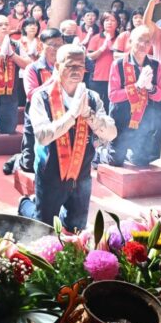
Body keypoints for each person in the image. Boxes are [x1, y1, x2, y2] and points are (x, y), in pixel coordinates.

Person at [18, 44, 116, 230]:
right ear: (57, 66)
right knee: (43, 227)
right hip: (50, 173)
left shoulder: (92, 98)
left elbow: (111, 133)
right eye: (70, 65)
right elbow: (43, 136)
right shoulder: (41, 97)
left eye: (80, 66)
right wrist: (71, 115)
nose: (76, 70)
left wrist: (88, 115)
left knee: (76, 228)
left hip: (81, 174)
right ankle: (25, 205)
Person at [4, 28, 66, 175]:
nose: (56, 49)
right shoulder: (32, 68)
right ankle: (18, 159)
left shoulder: (67, 67)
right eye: (52, 45)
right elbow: (31, 95)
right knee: (29, 165)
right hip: (36, 117)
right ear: (41, 46)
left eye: (60, 45)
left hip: (59, 116)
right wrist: (53, 79)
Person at [106, 26, 161, 167]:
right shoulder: (118, 64)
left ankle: (132, 153)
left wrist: (150, 87)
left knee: (141, 161)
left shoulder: (155, 66)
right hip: (121, 118)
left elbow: (160, 95)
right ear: (131, 41)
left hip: (143, 121)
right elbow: (113, 96)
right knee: (115, 160)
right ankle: (102, 152)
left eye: (147, 41)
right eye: (140, 40)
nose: (144, 45)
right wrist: (137, 86)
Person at [85, 11, 119, 111]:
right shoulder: (96, 38)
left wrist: (112, 48)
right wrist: (103, 48)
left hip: (115, 79)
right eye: (107, 20)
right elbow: (90, 56)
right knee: (95, 106)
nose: (109, 23)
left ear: (117, 23)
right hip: (97, 78)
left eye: (113, 20)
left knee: (111, 108)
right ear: (102, 23)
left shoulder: (120, 37)